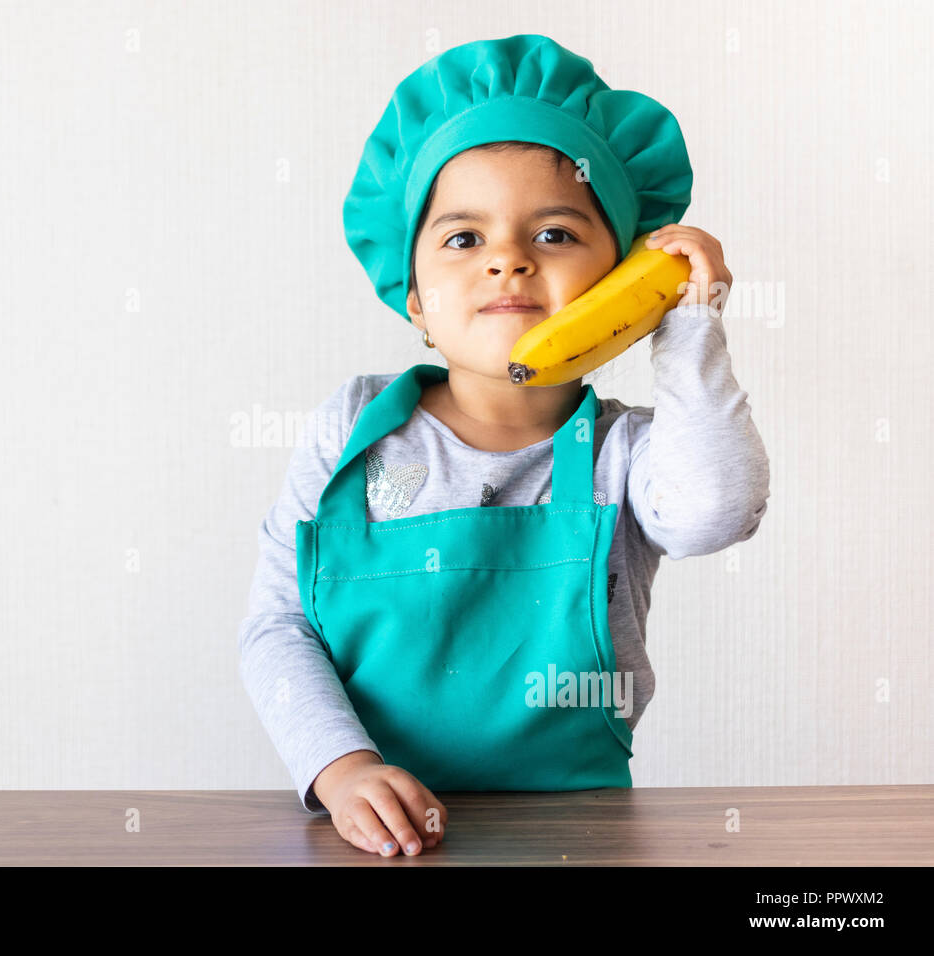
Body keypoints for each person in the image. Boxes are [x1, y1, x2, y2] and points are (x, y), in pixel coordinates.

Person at [238, 35, 770, 857]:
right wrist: (341, 771)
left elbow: (716, 511)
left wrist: (688, 324)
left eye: (555, 234)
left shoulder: (624, 455)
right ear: (413, 298)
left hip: (580, 834)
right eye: (463, 239)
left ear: (621, 279)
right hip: (370, 835)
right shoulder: (350, 429)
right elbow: (278, 624)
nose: (509, 262)